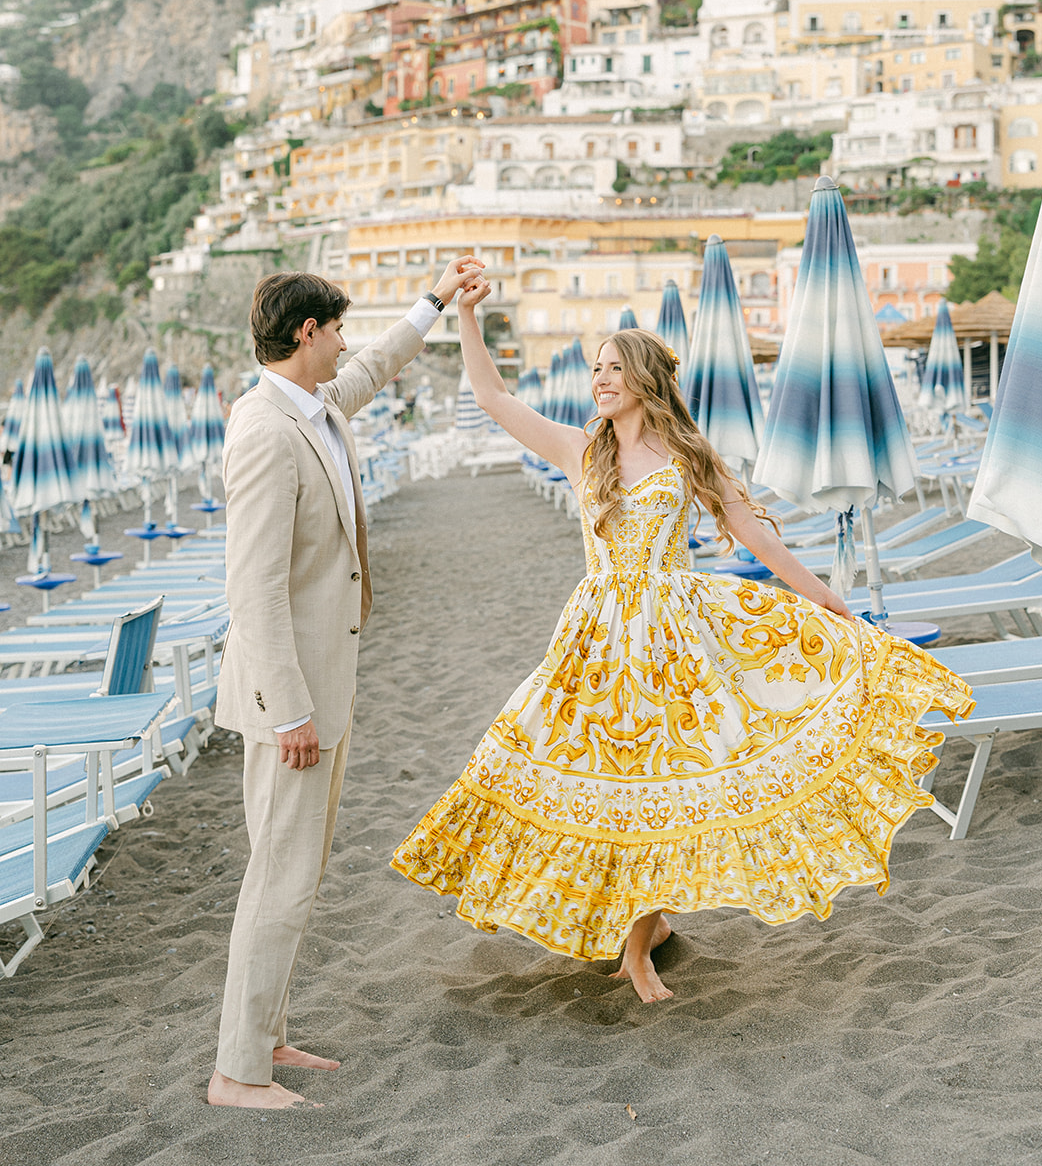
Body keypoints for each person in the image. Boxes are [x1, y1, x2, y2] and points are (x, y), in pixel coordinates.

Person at [393, 301, 973, 1005]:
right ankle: (652, 922)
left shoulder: (685, 454)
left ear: (643, 378)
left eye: (612, 368)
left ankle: (637, 952)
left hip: (674, 639)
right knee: (602, 781)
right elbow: (489, 395)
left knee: (659, 780)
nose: (600, 380)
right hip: (597, 640)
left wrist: (823, 598)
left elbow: (756, 537)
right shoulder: (580, 449)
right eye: (596, 369)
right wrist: (468, 315)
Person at [209, 258, 482, 1109]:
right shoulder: (263, 430)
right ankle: (237, 1072)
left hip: (325, 683)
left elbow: (378, 364)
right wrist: (288, 709)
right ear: (305, 334)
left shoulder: (317, 404)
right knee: (279, 876)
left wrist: (435, 300)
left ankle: (266, 1036)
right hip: (291, 700)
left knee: (297, 870)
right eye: (335, 330)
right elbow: (250, 589)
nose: (344, 343)